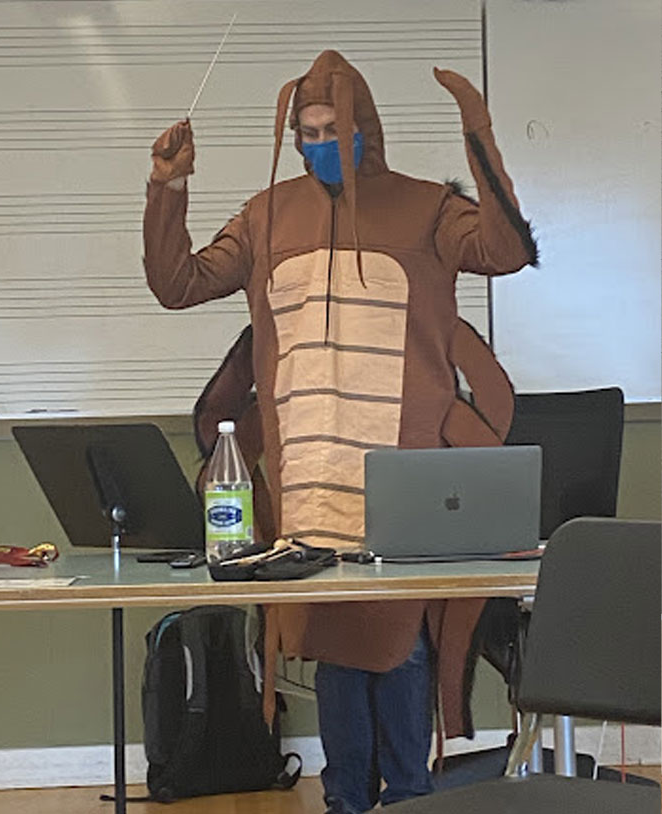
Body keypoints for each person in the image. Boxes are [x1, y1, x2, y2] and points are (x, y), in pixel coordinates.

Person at [143, 50, 537, 814]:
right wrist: (168, 187)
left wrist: (478, 133)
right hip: (308, 480)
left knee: (400, 646)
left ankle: (412, 800)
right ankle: (345, 801)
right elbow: (178, 282)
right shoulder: (266, 215)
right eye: (309, 131)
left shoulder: (427, 209)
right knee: (335, 649)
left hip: (401, 478)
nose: (320, 142)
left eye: (334, 128)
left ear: (365, 128)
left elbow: (506, 250)